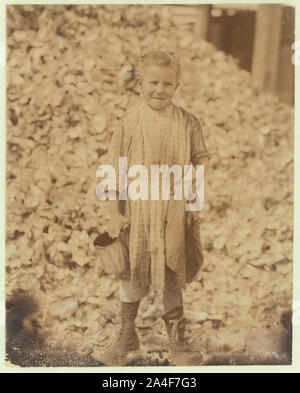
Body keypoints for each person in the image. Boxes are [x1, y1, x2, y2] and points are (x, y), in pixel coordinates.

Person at [95, 50, 210, 366]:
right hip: (139, 209)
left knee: (174, 273)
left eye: (167, 84)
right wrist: (114, 212)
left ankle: (177, 342)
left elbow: (199, 161)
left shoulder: (188, 122)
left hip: (174, 210)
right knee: (132, 275)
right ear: (139, 83)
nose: (160, 90)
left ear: (178, 85)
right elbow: (112, 167)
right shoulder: (129, 123)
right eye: (153, 83)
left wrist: (193, 206)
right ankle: (126, 336)